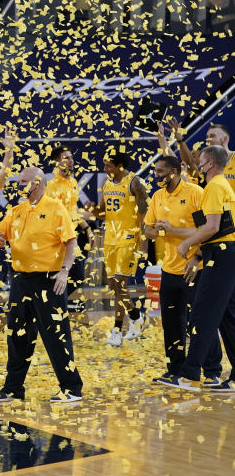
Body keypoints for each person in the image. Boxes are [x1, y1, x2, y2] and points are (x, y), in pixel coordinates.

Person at [0, 167, 83, 404]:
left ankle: (71, 387)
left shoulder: (55, 207)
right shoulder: (17, 210)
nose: (19, 185)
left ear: (37, 182)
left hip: (49, 280)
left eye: (23, 182)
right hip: (20, 280)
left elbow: (71, 242)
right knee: (18, 334)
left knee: (56, 335)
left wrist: (64, 271)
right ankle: (13, 388)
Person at [158, 146, 235, 392]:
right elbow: (224, 227)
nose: (197, 164)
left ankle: (191, 375)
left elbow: (212, 227)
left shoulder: (213, 187)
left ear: (209, 163)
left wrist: (188, 243)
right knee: (228, 318)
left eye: (200, 161)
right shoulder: (224, 185)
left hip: (221, 255)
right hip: (225, 253)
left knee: (203, 315)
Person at [142, 155, 224, 386]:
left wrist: (173, 230)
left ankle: (212, 370)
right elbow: (147, 230)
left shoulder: (195, 193)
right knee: (171, 322)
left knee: (200, 320)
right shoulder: (157, 196)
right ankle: (176, 369)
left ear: (175, 172)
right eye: (155, 170)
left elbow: (203, 229)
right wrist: (161, 232)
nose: (156, 175)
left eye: (160, 171)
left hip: (193, 268)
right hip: (168, 269)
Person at [98, 150, 149, 346]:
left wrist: (143, 244)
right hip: (110, 239)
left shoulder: (135, 182)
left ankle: (117, 330)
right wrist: (91, 212)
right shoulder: (107, 183)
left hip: (129, 238)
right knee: (113, 287)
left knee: (120, 285)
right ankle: (136, 316)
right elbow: (104, 211)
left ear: (120, 166)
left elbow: (145, 214)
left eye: (108, 165)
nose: (105, 169)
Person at [45, 146, 96, 308]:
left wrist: (87, 228)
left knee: (79, 276)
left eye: (71, 157)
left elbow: (73, 211)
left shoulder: (73, 182)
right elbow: (57, 215)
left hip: (72, 236)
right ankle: (54, 306)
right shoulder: (51, 186)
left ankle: (56, 304)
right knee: (65, 274)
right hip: (58, 239)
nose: (71, 161)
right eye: (65, 158)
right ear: (56, 163)